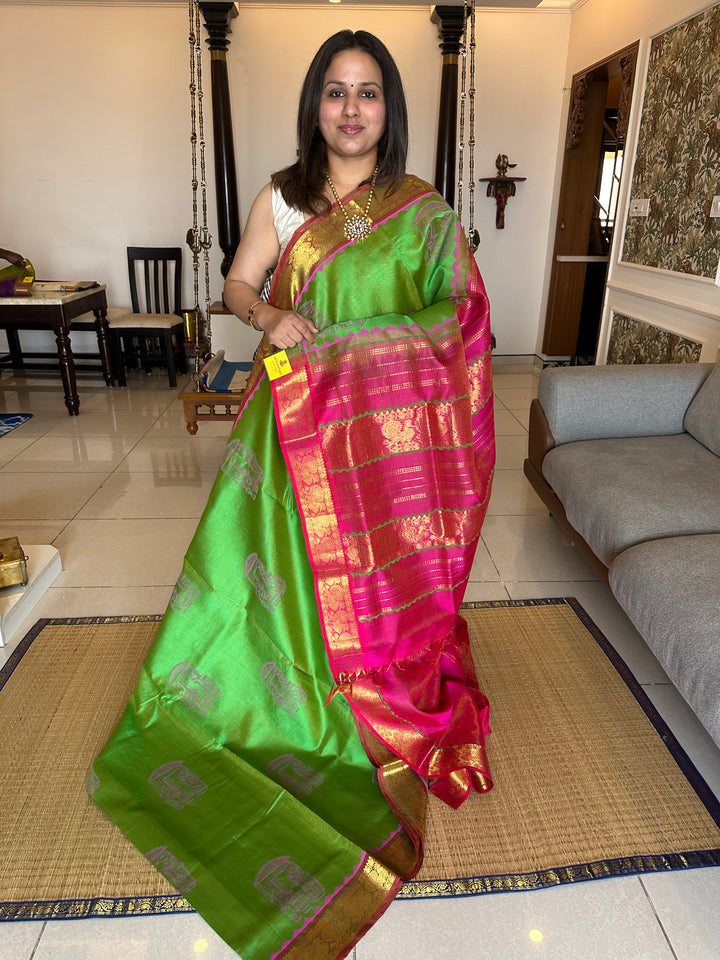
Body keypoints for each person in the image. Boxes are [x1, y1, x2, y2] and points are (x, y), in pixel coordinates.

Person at [90, 29, 495, 960]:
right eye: (335, 93)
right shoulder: (284, 195)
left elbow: (462, 318)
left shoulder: (423, 211)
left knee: (369, 581)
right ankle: (277, 705)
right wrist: (271, 312)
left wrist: (370, 347)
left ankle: (366, 696)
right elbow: (236, 282)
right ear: (315, 105)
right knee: (273, 577)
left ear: (389, 109)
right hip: (296, 424)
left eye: (369, 94)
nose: (352, 110)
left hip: (382, 445)